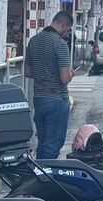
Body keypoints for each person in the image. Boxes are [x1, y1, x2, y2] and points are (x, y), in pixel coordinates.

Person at [24, 9, 74, 160]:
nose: (68, 34)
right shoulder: (60, 44)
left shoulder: (33, 41)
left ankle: (40, 170)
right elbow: (64, 79)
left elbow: (28, 72)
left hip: (39, 99)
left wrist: (44, 72)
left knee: (43, 142)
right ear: (63, 25)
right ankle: (47, 173)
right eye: (68, 30)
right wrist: (71, 73)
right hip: (57, 100)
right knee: (53, 146)